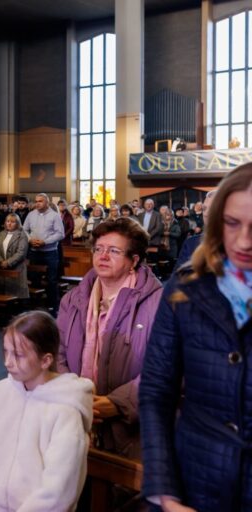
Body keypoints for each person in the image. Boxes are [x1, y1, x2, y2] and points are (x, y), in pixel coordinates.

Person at [140, 163, 252, 511]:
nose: (244, 241)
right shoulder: (186, 287)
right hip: (195, 478)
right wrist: (165, 493)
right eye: (232, 223)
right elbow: (157, 390)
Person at [0, 311, 93, 512]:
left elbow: (58, 489)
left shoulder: (65, 411)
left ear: (45, 360)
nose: (7, 362)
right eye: (5, 351)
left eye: (18, 355)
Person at [57, 217, 162, 458]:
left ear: (133, 260)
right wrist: (71, 393)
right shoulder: (72, 300)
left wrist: (117, 403)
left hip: (129, 427)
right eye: (99, 249)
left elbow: (166, 369)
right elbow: (57, 352)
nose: (102, 256)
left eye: (114, 251)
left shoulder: (159, 304)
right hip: (74, 415)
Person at [23, 193, 65, 314]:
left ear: (47, 202)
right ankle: (36, 306)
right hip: (34, 252)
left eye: (40, 201)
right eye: (36, 201)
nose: (37, 203)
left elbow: (60, 234)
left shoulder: (54, 216)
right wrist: (30, 239)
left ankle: (53, 307)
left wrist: (45, 242)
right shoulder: (31, 215)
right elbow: (24, 230)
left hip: (50, 252)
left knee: (51, 280)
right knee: (34, 279)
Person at [0, 213, 29, 300]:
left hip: (16, 268)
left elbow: (21, 253)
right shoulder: (1, 234)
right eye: (8, 221)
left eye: (13, 222)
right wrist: (1, 261)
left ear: (18, 223)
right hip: (2, 268)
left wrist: (8, 262)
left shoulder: (22, 235)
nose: (9, 223)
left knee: (16, 295)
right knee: (3, 293)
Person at [176, 190, 215, 268]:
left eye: (212, 208)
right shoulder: (191, 244)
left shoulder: (241, 244)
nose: (206, 214)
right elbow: (177, 277)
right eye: (204, 209)